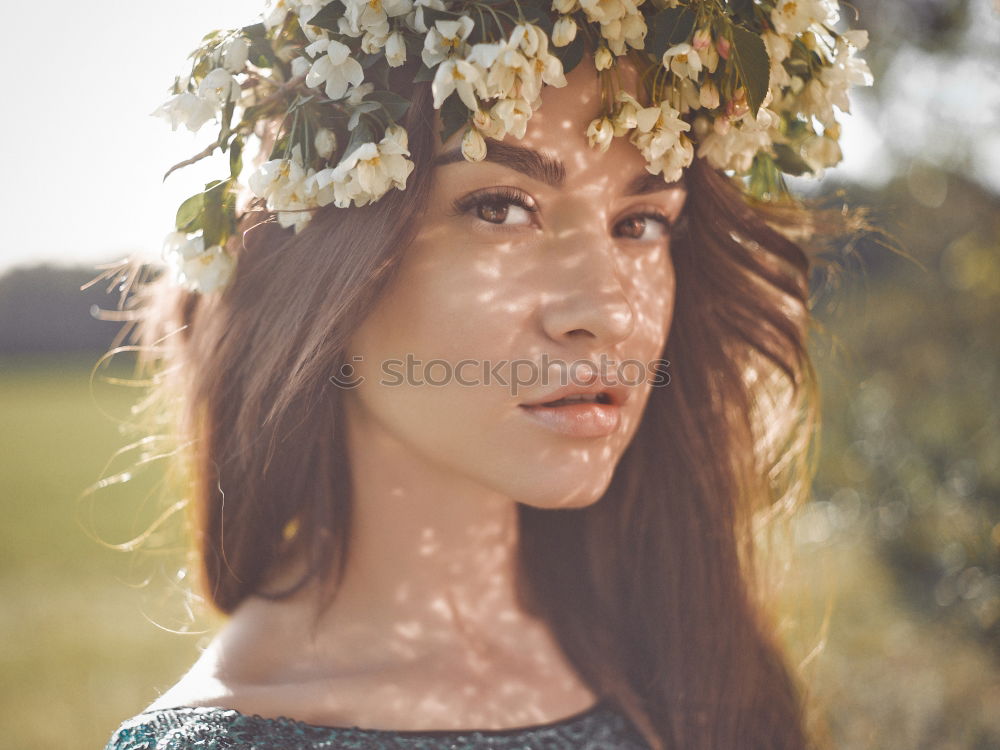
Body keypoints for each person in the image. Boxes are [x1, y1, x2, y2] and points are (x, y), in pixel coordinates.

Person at [100, 1, 871, 748]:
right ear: (327, 265)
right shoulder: (236, 737)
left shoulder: (687, 663)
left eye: (640, 224)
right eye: (502, 209)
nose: (608, 312)